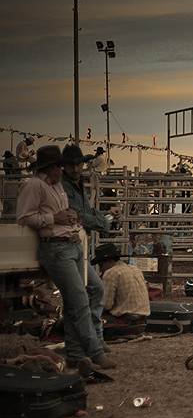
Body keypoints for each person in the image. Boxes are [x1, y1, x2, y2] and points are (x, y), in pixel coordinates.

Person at [16, 145, 115, 369]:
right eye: (60, 166)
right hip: (57, 247)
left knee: (76, 300)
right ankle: (94, 350)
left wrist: (68, 218)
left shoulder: (56, 186)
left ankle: (76, 354)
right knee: (79, 299)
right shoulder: (35, 186)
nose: (63, 170)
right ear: (51, 168)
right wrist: (55, 218)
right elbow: (24, 218)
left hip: (70, 244)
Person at [92, 243, 151, 338]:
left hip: (125, 322)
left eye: (100, 264)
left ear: (107, 262)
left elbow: (106, 305)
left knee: (87, 321)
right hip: (142, 322)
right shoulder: (135, 269)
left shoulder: (111, 273)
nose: (101, 268)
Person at [61, 144, 111, 238]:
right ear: (64, 166)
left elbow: (85, 212)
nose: (75, 169)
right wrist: (103, 223)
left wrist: (104, 219)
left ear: (82, 164)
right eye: (71, 166)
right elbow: (76, 215)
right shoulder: (63, 186)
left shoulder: (77, 182)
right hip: (69, 239)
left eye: (78, 165)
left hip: (76, 238)